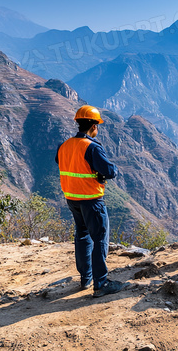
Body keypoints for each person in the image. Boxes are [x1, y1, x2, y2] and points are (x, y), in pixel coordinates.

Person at [56, 105, 125, 297]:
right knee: (100, 239)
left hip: (72, 198)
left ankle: (85, 278)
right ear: (93, 126)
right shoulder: (92, 147)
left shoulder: (65, 145)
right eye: (97, 125)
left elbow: (61, 161)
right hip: (91, 200)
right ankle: (101, 284)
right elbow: (109, 171)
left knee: (82, 236)